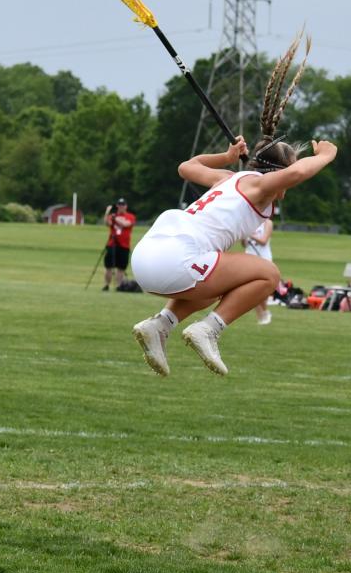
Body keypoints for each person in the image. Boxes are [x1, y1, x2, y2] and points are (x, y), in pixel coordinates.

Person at [129, 32, 337, 376]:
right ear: (276, 172)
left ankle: (160, 325)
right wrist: (327, 156)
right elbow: (298, 174)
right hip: (172, 259)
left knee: (219, 283)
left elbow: (187, 168)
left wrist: (223, 157)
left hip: (148, 256)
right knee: (268, 275)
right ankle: (209, 330)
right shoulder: (257, 186)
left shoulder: (228, 180)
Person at [245, 218, 274, 325]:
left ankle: (264, 313)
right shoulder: (249, 223)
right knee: (250, 290)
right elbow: (245, 244)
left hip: (263, 259)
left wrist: (249, 234)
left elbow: (263, 241)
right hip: (249, 259)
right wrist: (243, 237)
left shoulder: (267, 223)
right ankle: (262, 315)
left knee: (261, 290)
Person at [102, 198, 136, 291]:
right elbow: (107, 223)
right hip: (112, 243)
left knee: (121, 267)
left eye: (123, 205)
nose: (121, 207)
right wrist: (107, 212)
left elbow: (125, 224)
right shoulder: (112, 215)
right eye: (119, 205)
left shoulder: (130, 216)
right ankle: (106, 285)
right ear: (117, 206)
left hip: (124, 245)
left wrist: (115, 218)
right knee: (108, 266)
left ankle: (119, 286)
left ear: (126, 206)